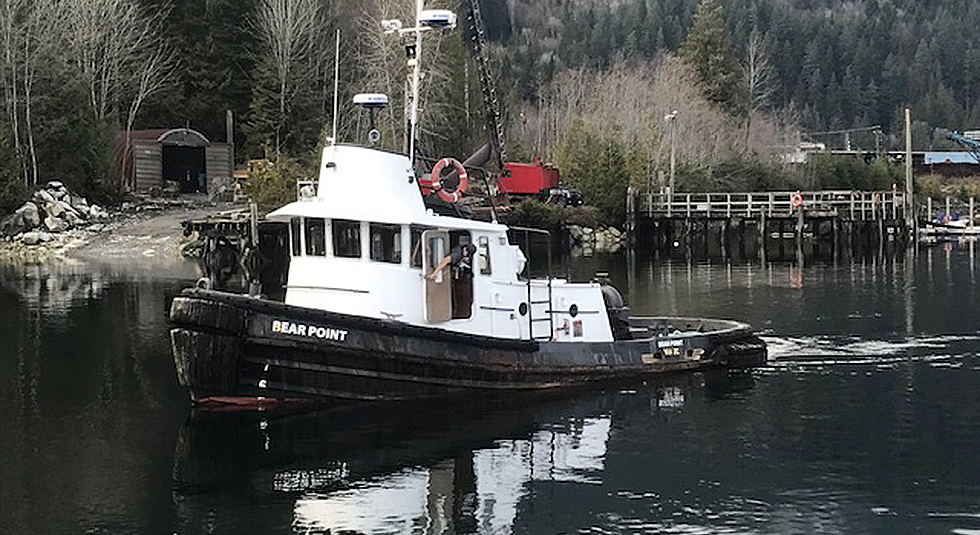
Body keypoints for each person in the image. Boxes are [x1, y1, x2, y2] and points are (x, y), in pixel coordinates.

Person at [427, 242, 476, 318]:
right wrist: (435, 273)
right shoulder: (457, 254)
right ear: (465, 250)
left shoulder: (460, 249)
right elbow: (445, 261)